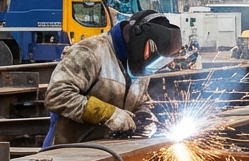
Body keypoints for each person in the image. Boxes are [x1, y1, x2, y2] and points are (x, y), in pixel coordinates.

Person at [43, 10, 181, 146]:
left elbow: (140, 99)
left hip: (111, 155)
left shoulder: (141, 62)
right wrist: (108, 114)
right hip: (69, 153)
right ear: (138, 36)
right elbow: (56, 95)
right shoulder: (90, 51)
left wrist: (143, 116)